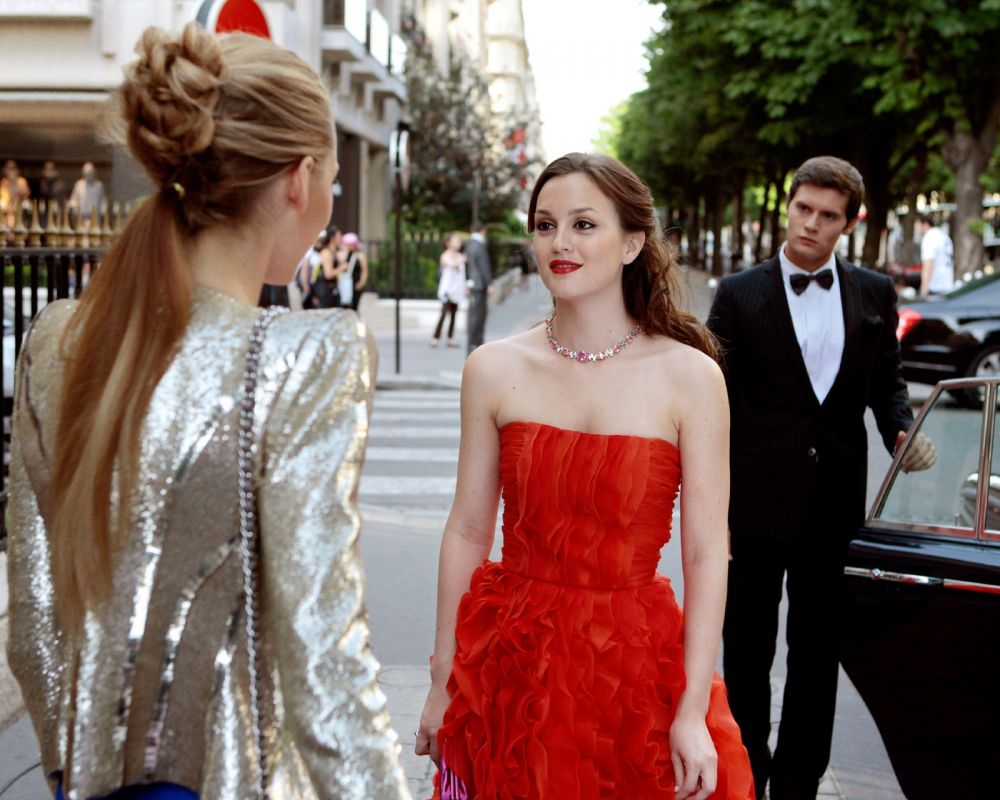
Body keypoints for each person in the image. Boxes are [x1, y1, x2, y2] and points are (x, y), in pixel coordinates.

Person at [5, 23, 410, 800]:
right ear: (300, 181)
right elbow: (324, 661)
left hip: (83, 777)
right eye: (331, 176)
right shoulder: (308, 353)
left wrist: (73, 767)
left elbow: (34, 615)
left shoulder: (55, 339)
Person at [415, 153, 755, 800]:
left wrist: (691, 709)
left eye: (583, 224)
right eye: (545, 225)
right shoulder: (492, 368)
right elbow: (467, 530)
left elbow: (708, 551)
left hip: (632, 666)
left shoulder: (691, 377)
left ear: (632, 243)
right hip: (510, 664)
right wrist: (443, 679)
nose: (559, 243)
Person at [707, 155, 936, 800]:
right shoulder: (739, 293)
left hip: (833, 510)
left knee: (817, 657)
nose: (810, 223)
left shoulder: (874, 291)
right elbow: (713, 403)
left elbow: (887, 383)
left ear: (848, 223)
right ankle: (745, 778)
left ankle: (798, 787)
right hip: (752, 508)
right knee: (746, 654)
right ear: (789, 206)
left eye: (827, 215)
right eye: (803, 208)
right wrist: (712, 512)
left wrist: (900, 432)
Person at [432, 232, 467, 347]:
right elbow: (451, 264)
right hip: (447, 290)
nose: (458, 243)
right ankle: (435, 337)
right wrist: (461, 259)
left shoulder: (460, 255)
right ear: (448, 243)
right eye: (456, 240)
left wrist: (465, 287)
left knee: (453, 314)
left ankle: (450, 338)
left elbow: (462, 275)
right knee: (444, 313)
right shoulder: (445, 255)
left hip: (457, 290)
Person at [464, 220, 492, 354]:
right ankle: (476, 344)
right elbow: (483, 266)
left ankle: (473, 344)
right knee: (479, 316)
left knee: (473, 314)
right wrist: (489, 282)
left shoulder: (468, 244)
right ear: (483, 230)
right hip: (480, 284)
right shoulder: (479, 245)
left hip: (472, 283)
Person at [68, 161, 108, 244]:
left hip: (95, 217)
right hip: (81, 217)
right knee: (82, 238)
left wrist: (103, 210)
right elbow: (73, 199)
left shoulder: (99, 185)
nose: (88, 175)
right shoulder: (79, 184)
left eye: (89, 172)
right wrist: (73, 206)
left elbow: (103, 200)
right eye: (85, 172)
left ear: (94, 172)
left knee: (94, 239)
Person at [301, 228, 341, 309]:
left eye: (322, 239)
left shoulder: (326, 252)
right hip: (318, 288)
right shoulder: (311, 253)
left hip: (324, 288)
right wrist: (307, 288)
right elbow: (305, 271)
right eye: (319, 239)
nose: (321, 242)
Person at [916, 212, 954, 297]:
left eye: (918, 225)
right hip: (947, 285)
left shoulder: (929, 238)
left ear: (925, 224)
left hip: (935, 288)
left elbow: (928, 266)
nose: (917, 228)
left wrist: (923, 292)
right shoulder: (943, 235)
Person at [1, 159, 31, 235]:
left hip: (20, 210)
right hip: (7, 210)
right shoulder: (4, 182)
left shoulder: (22, 181)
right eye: (8, 168)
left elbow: (26, 194)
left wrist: (14, 183)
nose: (10, 171)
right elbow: (3, 196)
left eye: (12, 168)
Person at [342, 231, 369, 311]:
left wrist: (362, 282)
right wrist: (345, 252)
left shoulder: (360, 255)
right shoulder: (344, 255)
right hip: (345, 283)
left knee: (354, 306)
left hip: (355, 283)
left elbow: (364, 271)